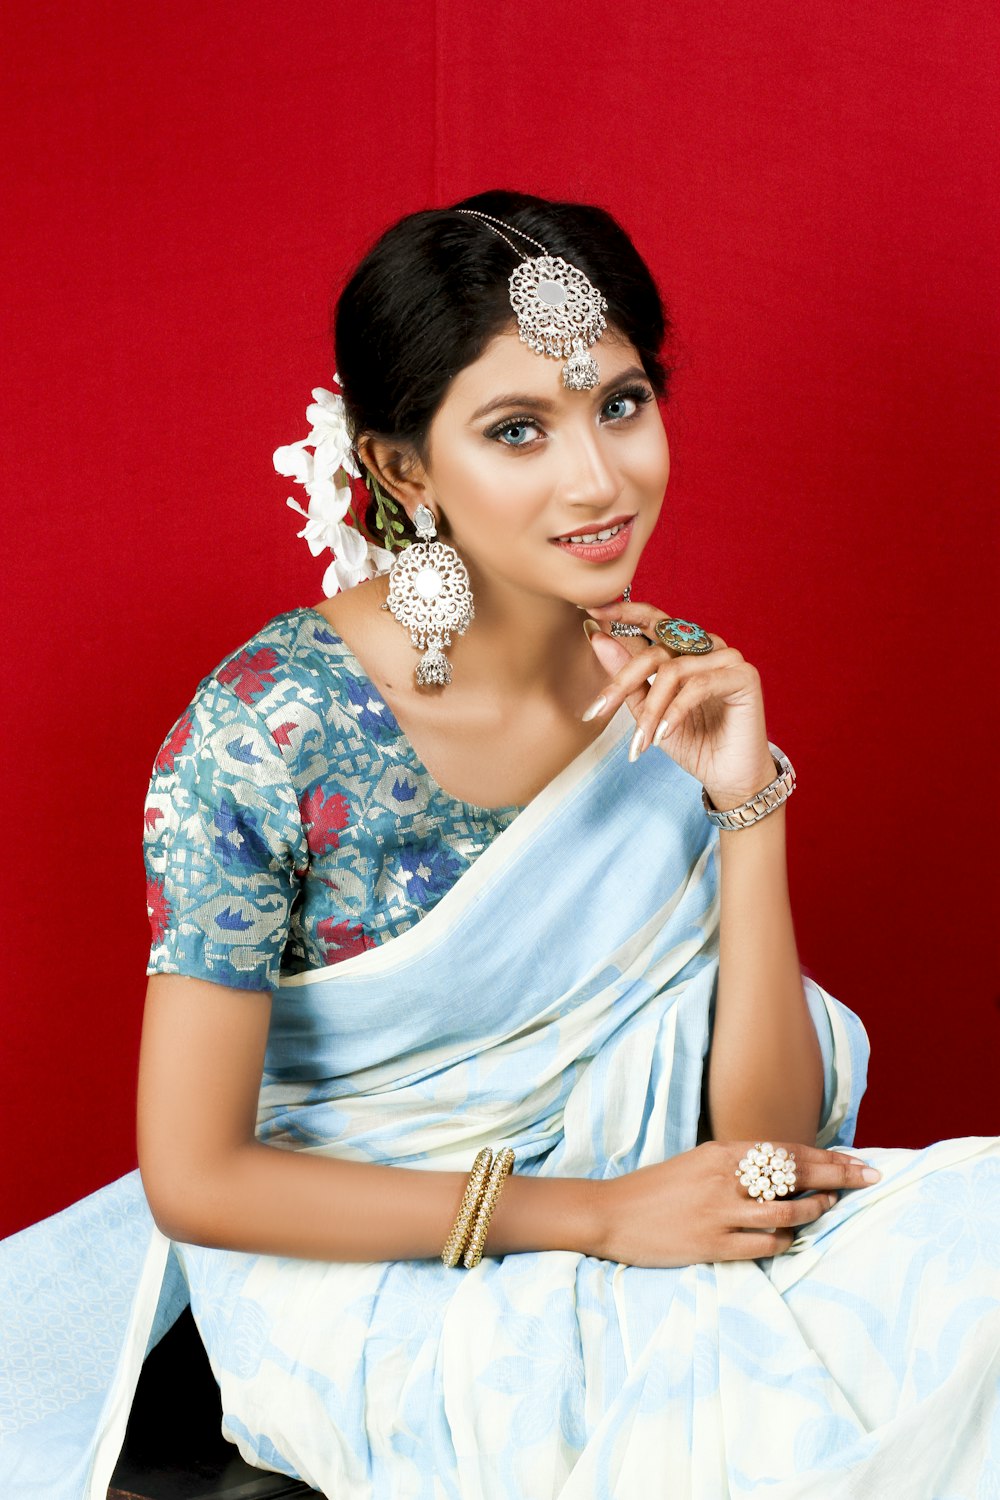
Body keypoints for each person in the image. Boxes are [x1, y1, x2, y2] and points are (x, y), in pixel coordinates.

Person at [2, 190, 998, 1499]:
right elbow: (195, 1177)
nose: (597, 476)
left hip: (668, 1216)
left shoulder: (670, 679)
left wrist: (751, 806)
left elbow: (768, 1146)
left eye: (621, 402)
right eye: (518, 429)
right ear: (405, 469)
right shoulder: (267, 735)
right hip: (370, 1279)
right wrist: (594, 1217)